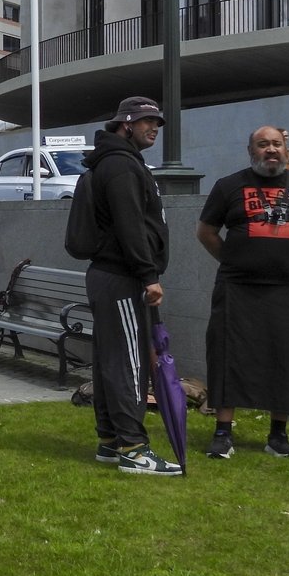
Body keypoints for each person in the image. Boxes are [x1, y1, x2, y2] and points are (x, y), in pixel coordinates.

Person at [197, 126, 289, 460]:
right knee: (227, 354)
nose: (270, 149)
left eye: (276, 144)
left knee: (287, 356)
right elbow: (206, 232)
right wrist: (234, 259)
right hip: (237, 287)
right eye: (263, 144)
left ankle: (278, 436)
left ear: (286, 150)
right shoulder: (228, 186)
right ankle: (223, 433)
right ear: (250, 151)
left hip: (288, 289)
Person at [80, 96, 180, 476]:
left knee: (111, 361)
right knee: (129, 364)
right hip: (122, 277)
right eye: (146, 121)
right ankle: (134, 450)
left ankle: (110, 441)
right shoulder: (122, 165)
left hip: (111, 276)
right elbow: (130, 224)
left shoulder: (116, 161)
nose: (154, 127)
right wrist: (148, 275)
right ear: (126, 124)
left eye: (157, 122)